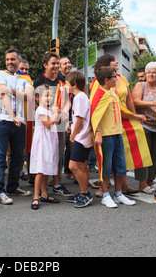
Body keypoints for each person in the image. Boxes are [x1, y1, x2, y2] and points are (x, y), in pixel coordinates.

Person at [89, 54, 151, 196]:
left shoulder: (121, 79)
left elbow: (128, 100)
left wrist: (134, 116)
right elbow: (95, 109)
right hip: (107, 124)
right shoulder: (98, 84)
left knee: (122, 157)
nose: (117, 62)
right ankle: (104, 189)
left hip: (123, 118)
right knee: (107, 157)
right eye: (113, 61)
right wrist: (97, 131)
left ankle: (123, 186)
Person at [91, 67, 136, 208]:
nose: (117, 79)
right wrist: (97, 132)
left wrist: (135, 116)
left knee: (120, 166)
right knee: (105, 167)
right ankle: (105, 195)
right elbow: (94, 115)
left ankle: (118, 194)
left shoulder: (112, 92)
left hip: (117, 134)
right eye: (114, 77)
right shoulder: (100, 94)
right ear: (107, 80)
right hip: (106, 136)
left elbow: (120, 110)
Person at [0, 48, 33, 204]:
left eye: (13, 59)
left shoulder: (25, 79)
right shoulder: (0, 74)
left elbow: (28, 96)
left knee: (17, 157)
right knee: (0, 157)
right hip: (2, 120)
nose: (10, 62)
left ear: (19, 61)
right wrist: (13, 115)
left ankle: (13, 187)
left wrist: (10, 90)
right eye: (7, 59)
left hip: (20, 122)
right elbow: (2, 96)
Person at [33, 52, 72, 197]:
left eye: (57, 63)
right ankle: (42, 189)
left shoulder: (62, 80)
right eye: (53, 63)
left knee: (57, 154)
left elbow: (67, 101)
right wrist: (48, 117)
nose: (56, 66)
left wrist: (64, 115)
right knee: (45, 155)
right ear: (45, 65)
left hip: (59, 123)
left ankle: (57, 184)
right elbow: (36, 104)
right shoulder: (38, 82)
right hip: (46, 124)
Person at [131, 62, 156, 193]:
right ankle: (142, 183)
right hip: (144, 124)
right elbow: (135, 101)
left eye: (154, 72)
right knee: (144, 155)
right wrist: (152, 103)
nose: (151, 74)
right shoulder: (141, 85)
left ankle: (151, 180)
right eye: (149, 72)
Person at [29, 85, 61, 210]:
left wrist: (57, 113)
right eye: (46, 95)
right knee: (40, 169)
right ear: (38, 97)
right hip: (42, 142)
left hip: (50, 141)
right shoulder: (40, 110)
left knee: (47, 167)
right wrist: (54, 114)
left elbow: (57, 121)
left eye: (51, 95)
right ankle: (36, 196)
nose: (49, 98)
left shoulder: (48, 109)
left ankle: (45, 194)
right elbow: (48, 124)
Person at [65, 71, 93, 208]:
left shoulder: (79, 97)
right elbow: (78, 117)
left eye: (66, 83)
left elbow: (81, 119)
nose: (65, 86)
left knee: (73, 166)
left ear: (74, 84)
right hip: (83, 136)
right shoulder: (80, 97)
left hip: (81, 137)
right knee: (82, 166)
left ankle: (85, 193)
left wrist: (73, 135)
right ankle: (83, 192)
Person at [17, 59, 33, 181]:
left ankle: (30, 174)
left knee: (29, 146)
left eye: (26, 69)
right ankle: (17, 173)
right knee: (16, 148)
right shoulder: (13, 79)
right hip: (17, 116)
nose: (24, 71)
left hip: (29, 117)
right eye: (22, 69)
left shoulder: (29, 81)